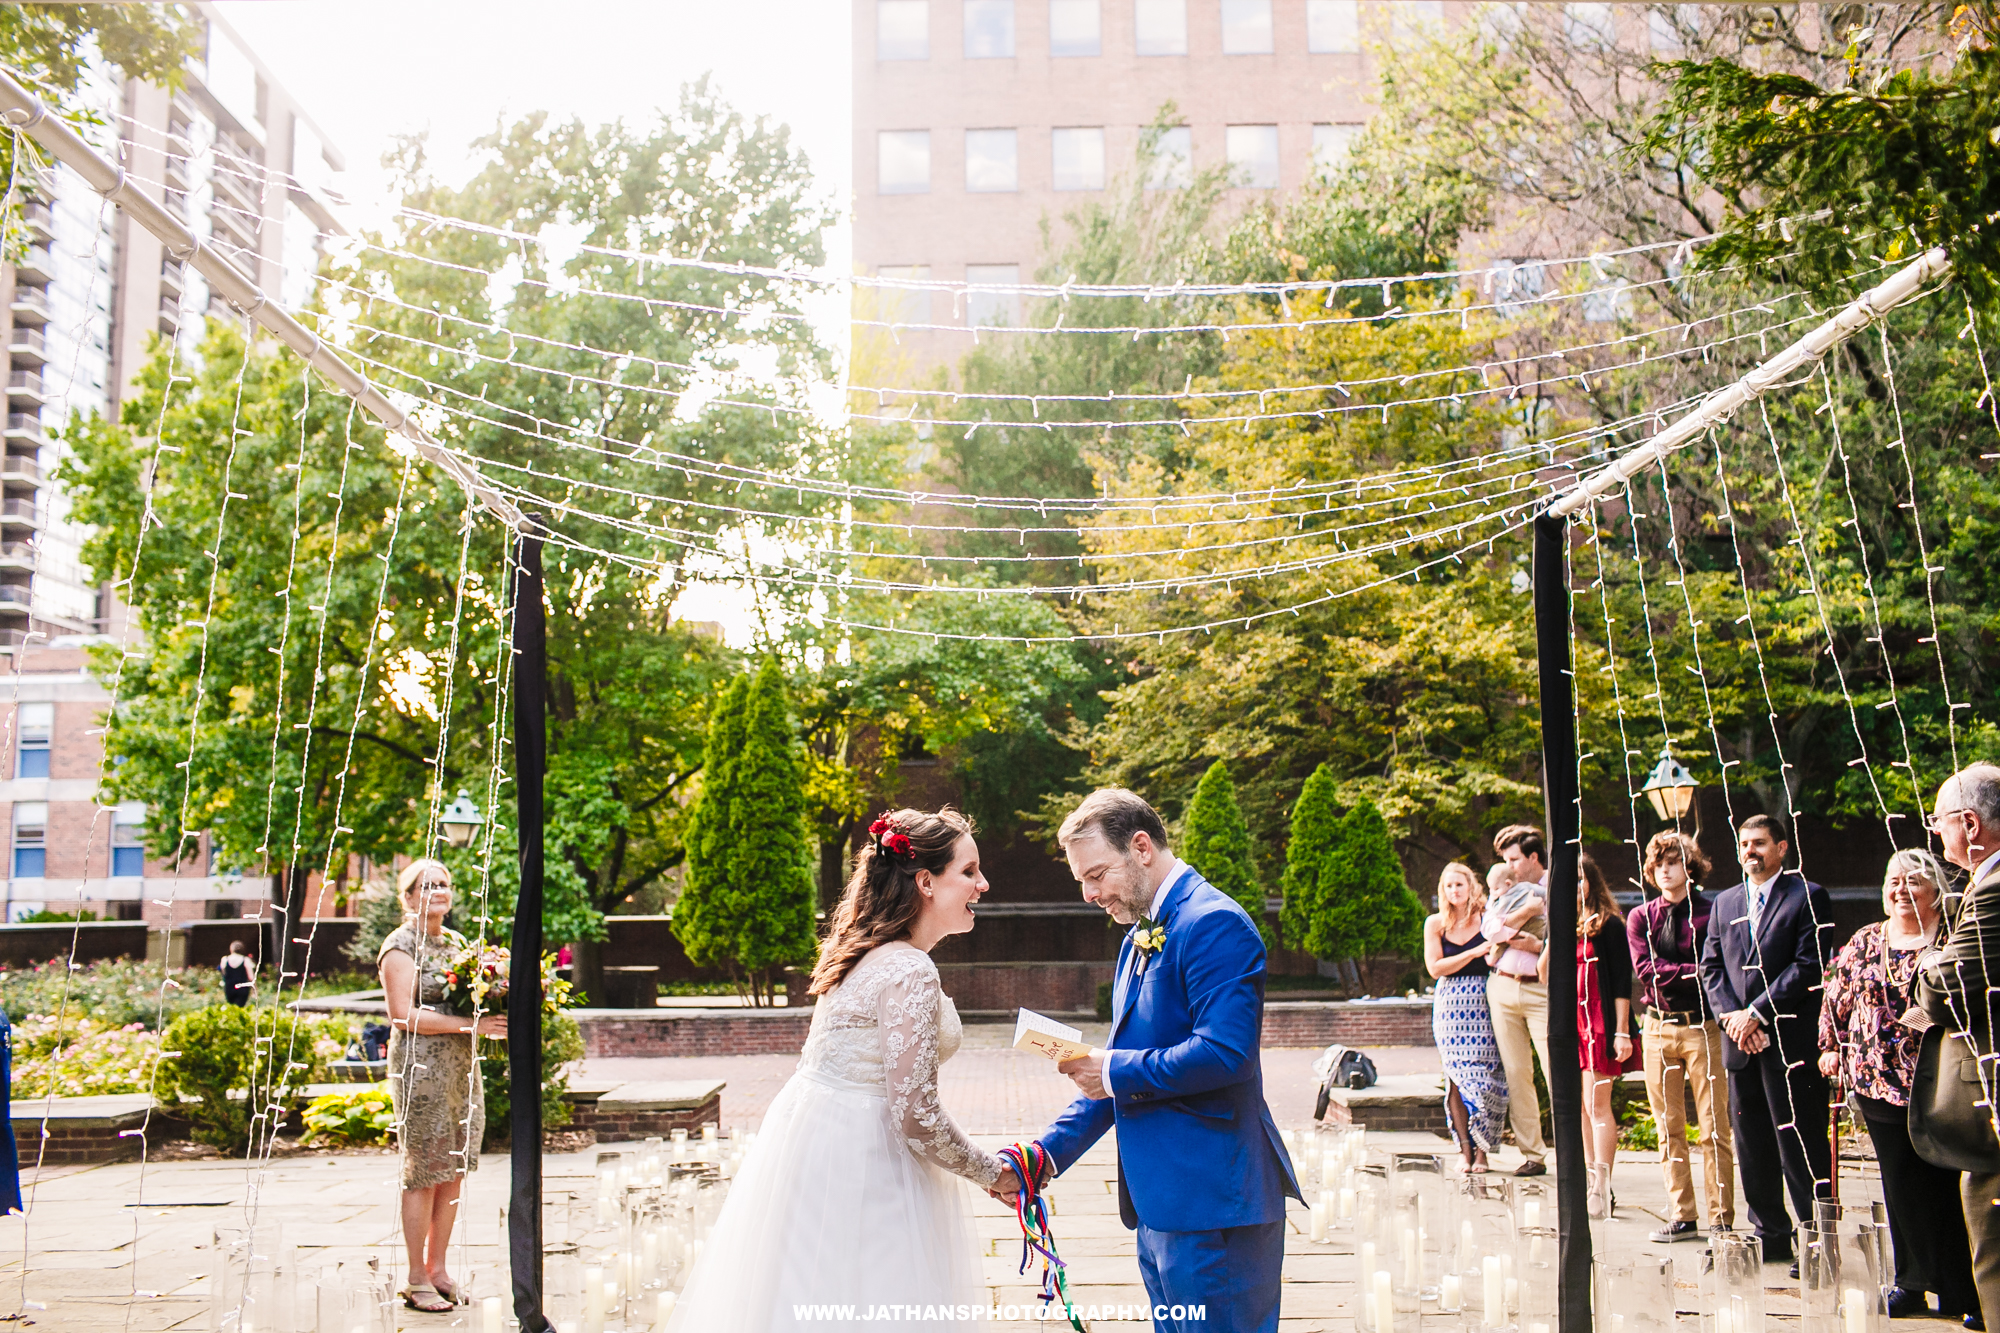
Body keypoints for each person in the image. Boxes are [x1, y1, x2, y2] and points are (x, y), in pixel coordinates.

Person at [666, 809, 999, 1332]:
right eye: (970, 871)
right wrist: (990, 1170)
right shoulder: (908, 967)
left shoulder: (863, 955)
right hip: (870, 1166)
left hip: (816, 1149)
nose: (983, 883)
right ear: (926, 882)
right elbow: (915, 1112)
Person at [1004, 788, 1299, 1333]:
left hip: (1215, 1203)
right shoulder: (1136, 937)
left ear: (1141, 847)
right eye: (1082, 882)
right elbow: (1119, 1074)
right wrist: (1041, 1156)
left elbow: (1224, 1053)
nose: (1090, 895)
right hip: (1160, 1206)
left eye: (1097, 875)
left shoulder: (1215, 923)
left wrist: (1110, 1068)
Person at [1820, 848, 1977, 1321]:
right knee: (1900, 1185)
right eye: (1893, 881)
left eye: (1913, 882)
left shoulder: (1951, 939)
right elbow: (1836, 996)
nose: (1901, 891)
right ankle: (1911, 1283)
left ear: (1935, 890)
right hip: (1877, 1082)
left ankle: (1960, 1289)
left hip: (1938, 1084)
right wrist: (1830, 1046)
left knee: (1945, 1184)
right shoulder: (1867, 940)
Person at [1698, 814, 1833, 1274]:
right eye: (1744, 844)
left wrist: (1756, 1014)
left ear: (1781, 848)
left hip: (1789, 1042)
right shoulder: (1724, 902)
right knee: (1752, 1143)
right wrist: (1732, 1019)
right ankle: (1771, 1236)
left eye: (1759, 843)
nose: (1749, 851)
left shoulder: (1808, 897)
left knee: (1800, 1143)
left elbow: (1807, 965)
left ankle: (1819, 1239)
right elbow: (1711, 968)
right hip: (1740, 1044)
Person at [379, 858, 506, 1313]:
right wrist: (470, 1025)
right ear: (408, 896)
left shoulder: (455, 944)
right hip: (421, 1072)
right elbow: (401, 1014)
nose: (437, 890)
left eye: (444, 884)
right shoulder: (400, 946)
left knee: (452, 1170)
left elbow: (475, 994)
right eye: (425, 884)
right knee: (423, 1172)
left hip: (459, 1070)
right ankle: (415, 1279)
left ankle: (438, 1269)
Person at [1915, 762, 2000, 1332]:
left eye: (1939, 820)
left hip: (1991, 1100)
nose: (1935, 831)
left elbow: (1945, 990)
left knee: (1993, 1254)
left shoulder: (1992, 890)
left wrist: (1924, 963)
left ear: (1969, 823)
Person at [1626, 830, 1734, 1243]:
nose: (1666, 869)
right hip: (1656, 1027)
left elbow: (1717, 969)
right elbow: (1647, 972)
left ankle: (1721, 1217)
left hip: (1703, 1027)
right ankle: (1682, 1214)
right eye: (1658, 864)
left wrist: (1689, 973)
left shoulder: (1713, 912)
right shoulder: (1641, 917)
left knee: (1713, 1126)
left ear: (1689, 866)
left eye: (1673, 861)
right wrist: (1693, 972)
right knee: (1668, 1126)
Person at [1425, 863, 1508, 1172]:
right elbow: (1435, 968)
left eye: (1459, 885)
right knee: (1457, 1080)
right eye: (1448, 886)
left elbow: (1499, 954)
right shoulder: (1436, 924)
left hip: (1484, 1002)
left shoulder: (1487, 919)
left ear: (1471, 887)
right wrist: (1473, 954)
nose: (1454, 891)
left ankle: (1484, 1150)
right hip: (1450, 1006)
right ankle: (1464, 1150)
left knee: (1486, 1079)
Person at [1484, 824, 1554, 1177]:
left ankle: (1578, 1151)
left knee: (1554, 1068)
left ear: (1533, 858)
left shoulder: (1557, 887)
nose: (1507, 868)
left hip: (1542, 989)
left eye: (1513, 860)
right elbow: (1490, 929)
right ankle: (1533, 1155)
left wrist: (1538, 946)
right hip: (1503, 986)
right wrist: (1523, 916)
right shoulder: (1504, 891)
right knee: (1516, 1073)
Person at [1576, 853, 1638, 1218]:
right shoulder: (1565, 925)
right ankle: (1590, 1182)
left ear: (1593, 883)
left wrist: (1622, 1032)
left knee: (1598, 1105)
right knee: (1581, 1108)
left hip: (1600, 1023)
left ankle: (1604, 1185)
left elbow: (1621, 983)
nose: (1575, 888)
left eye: (1580, 880)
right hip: (1572, 1025)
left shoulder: (1611, 924)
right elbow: (1543, 973)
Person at [219, 940, 255, 1006]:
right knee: (241, 1006)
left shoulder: (225, 959)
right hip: (242, 988)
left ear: (231, 949)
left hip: (229, 987)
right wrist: (254, 990)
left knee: (231, 1007)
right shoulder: (246, 960)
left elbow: (223, 973)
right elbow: (251, 977)